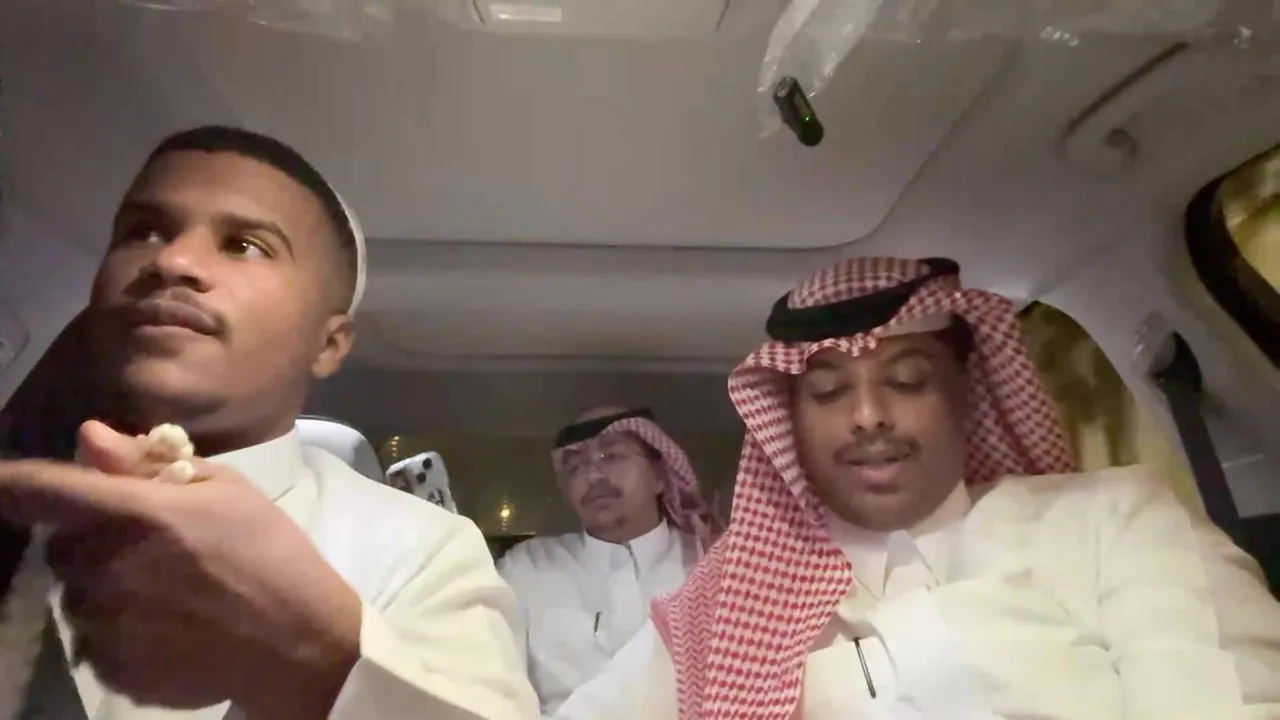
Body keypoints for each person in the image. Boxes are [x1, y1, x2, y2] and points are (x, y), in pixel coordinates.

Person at [554, 256, 1280, 720]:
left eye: (906, 380)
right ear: (791, 422)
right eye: (829, 392)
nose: (869, 415)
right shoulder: (727, 602)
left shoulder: (1115, 524)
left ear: (966, 393)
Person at [0, 125, 537, 720]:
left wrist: (322, 658)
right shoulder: (18, 503)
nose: (171, 261)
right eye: (142, 231)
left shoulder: (422, 550)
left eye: (244, 245)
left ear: (328, 344)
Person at [497, 406, 720, 716]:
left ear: (659, 475)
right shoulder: (527, 568)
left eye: (612, 456)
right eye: (575, 467)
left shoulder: (710, 564)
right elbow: (495, 693)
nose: (592, 476)